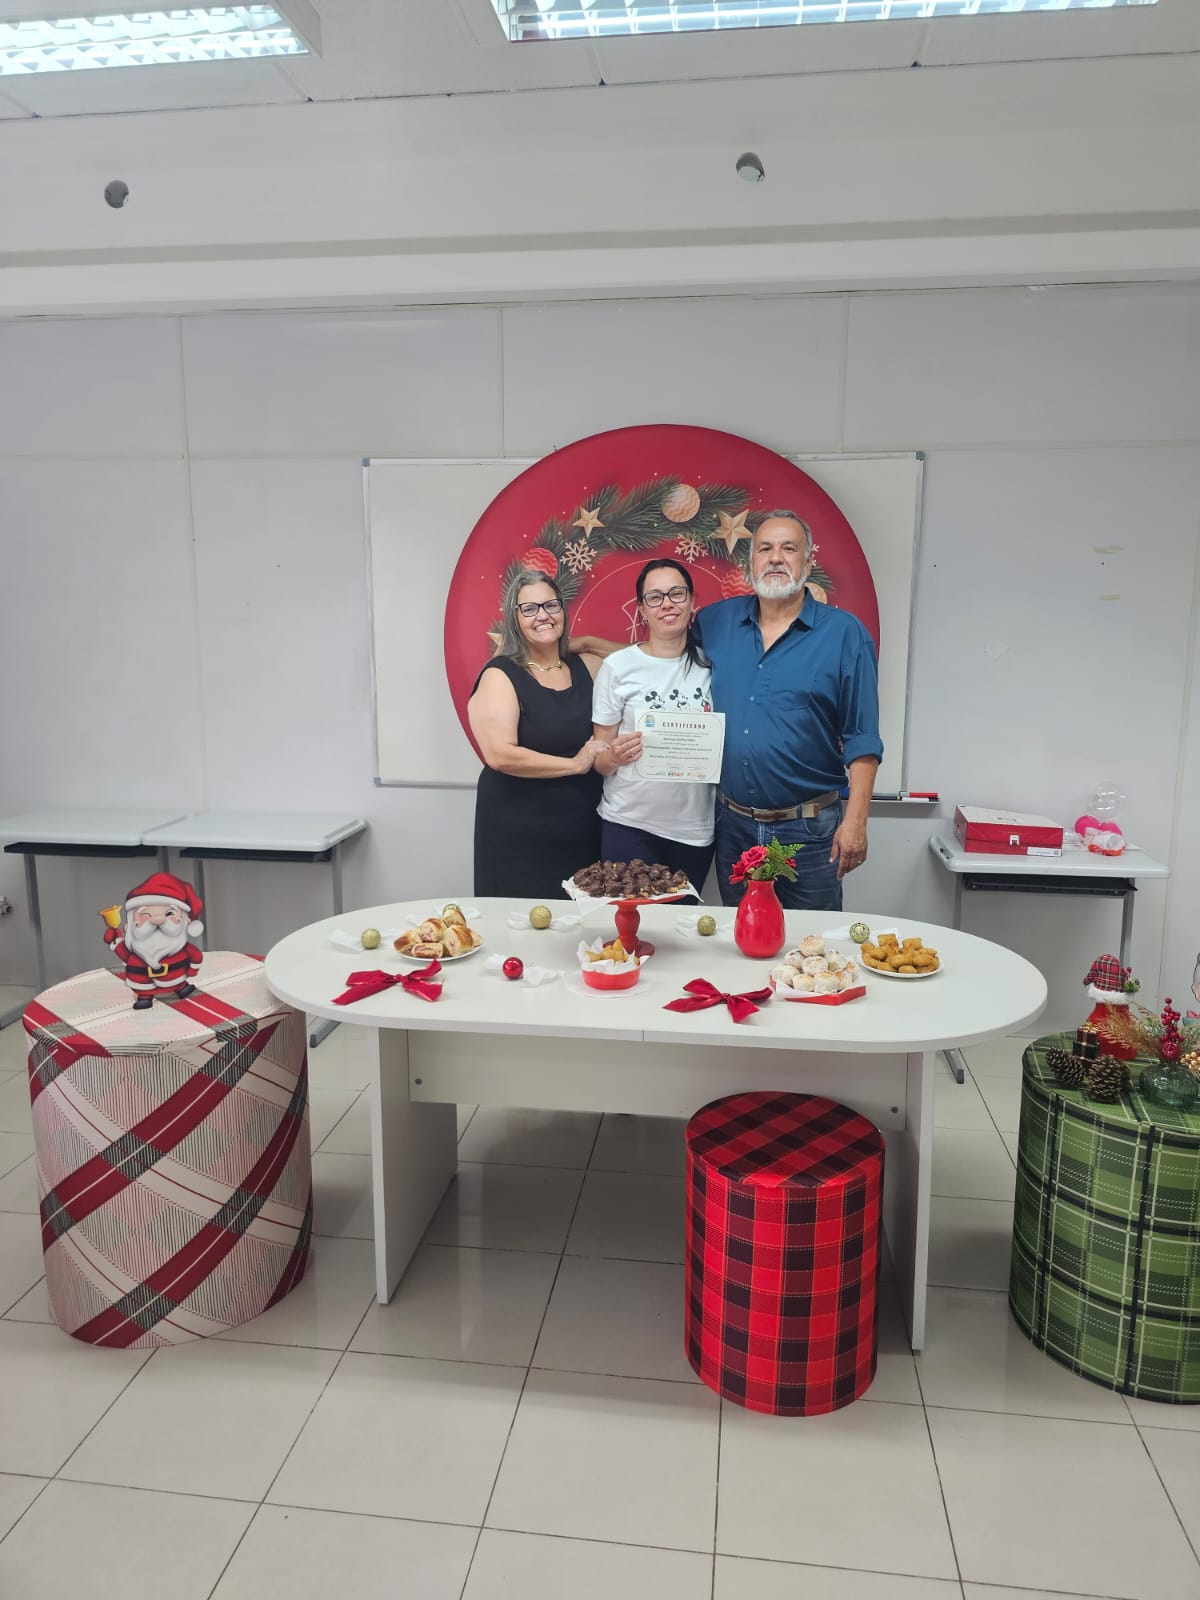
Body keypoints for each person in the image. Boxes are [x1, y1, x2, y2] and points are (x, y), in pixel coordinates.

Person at [573, 510, 882, 912]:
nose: (775, 558)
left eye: (788, 548)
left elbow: (862, 735)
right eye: (765, 548)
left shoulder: (844, 634)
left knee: (810, 938)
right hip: (734, 826)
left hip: (809, 828)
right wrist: (585, 646)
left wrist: (856, 820)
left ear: (808, 562)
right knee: (741, 937)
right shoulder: (718, 622)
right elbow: (660, 654)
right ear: (751, 562)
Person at [468, 570, 606, 899]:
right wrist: (576, 764)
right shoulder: (501, 674)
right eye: (529, 609)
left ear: (563, 610)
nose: (542, 615)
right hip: (517, 835)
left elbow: (649, 654)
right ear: (514, 619)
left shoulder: (587, 666)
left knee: (581, 923)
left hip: (581, 829)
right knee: (520, 925)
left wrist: (587, 642)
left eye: (551, 605)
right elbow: (500, 755)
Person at [590, 559, 716, 889]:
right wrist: (614, 756)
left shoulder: (713, 666)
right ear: (642, 610)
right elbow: (600, 762)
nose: (667, 604)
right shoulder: (618, 667)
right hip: (628, 824)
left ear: (692, 601)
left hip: (694, 831)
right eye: (655, 597)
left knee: (683, 921)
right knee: (630, 920)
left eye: (677, 593)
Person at [102, 870, 205, 1009]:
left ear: (184, 920)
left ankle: (181, 988)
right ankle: (145, 997)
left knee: (181, 986)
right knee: (145, 992)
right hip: (144, 984)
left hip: (177, 979)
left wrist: (192, 971)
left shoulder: (180, 946)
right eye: (145, 914)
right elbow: (124, 953)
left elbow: (196, 956)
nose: (157, 920)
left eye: (169, 913)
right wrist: (115, 940)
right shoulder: (135, 947)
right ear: (132, 922)